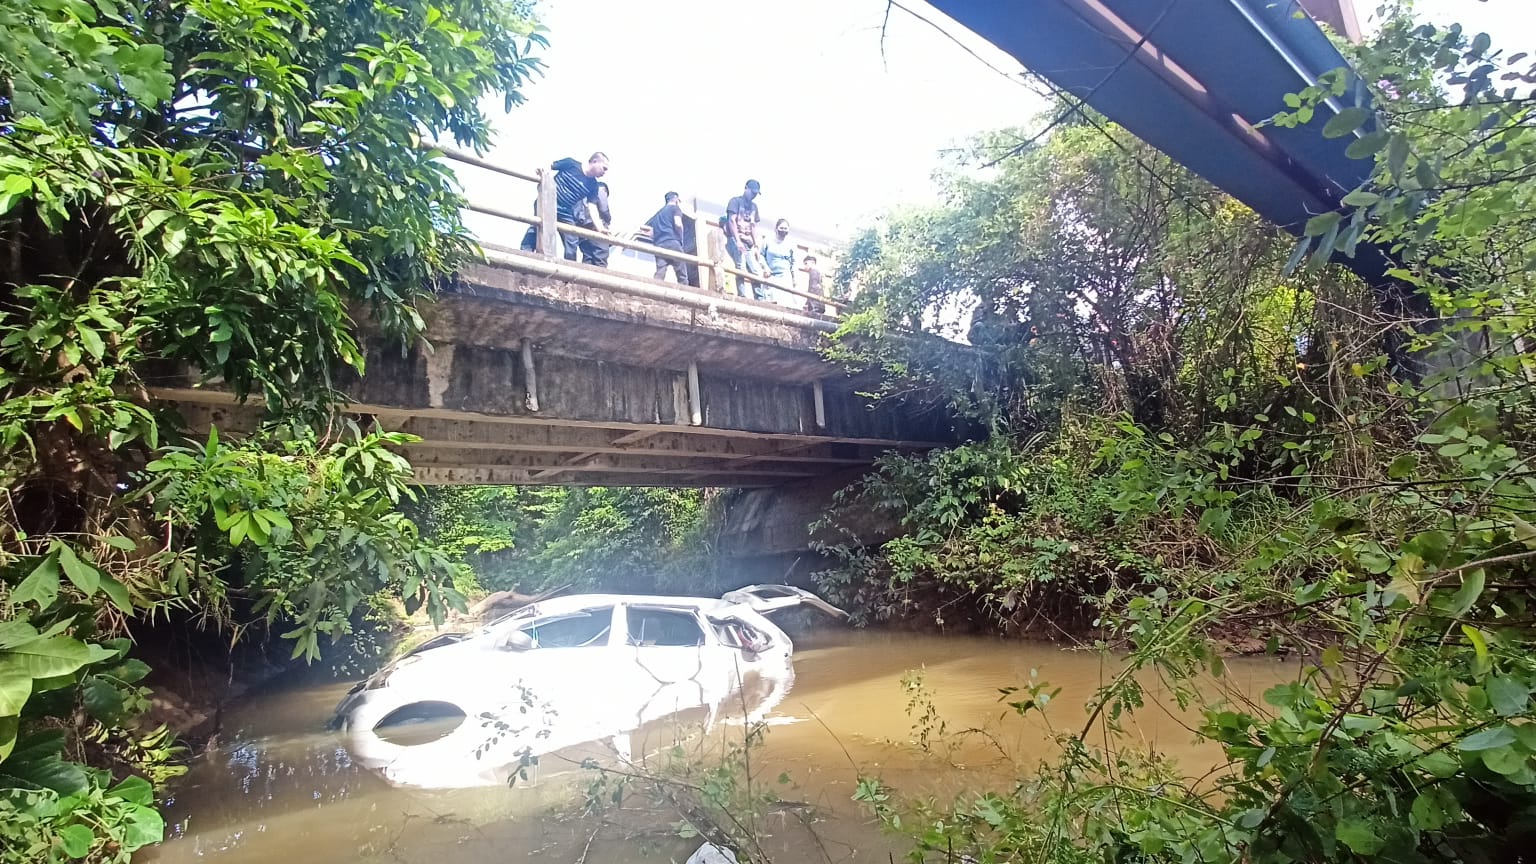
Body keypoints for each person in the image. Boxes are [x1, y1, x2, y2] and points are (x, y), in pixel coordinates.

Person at [549, 152, 609, 261]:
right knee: (537, 227)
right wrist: (542, 175)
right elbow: (550, 166)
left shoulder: (593, 185)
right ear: (595, 162)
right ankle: (525, 253)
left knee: (572, 240)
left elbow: (592, 207)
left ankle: (568, 267)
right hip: (549, 202)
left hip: (566, 212)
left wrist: (600, 228)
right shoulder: (570, 163)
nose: (604, 172)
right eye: (604, 168)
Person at [724, 179, 767, 301]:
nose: (753, 195)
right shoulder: (735, 201)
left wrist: (756, 245)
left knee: (754, 270)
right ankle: (742, 295)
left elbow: (753, 226)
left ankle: (759, 298)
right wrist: (737, 241)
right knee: (741, 266)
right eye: (752, 192)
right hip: (736, 238)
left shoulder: (754, 207)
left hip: (748, 242)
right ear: (746, 188)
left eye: (755, 193)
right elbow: (731, 221)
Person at [646, 191, 689, 282]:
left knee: (660, 272)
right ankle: (684, 289)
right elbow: (678, 223)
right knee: (681, 271)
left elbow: (651, 234)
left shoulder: (658, 214)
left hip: (659, 245)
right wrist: (681, 237)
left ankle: (655, 288)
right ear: (676, 199)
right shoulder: (675, 208)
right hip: (672, 242)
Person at [760, 218, 797, 305]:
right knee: (769, 301)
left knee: (784, 302)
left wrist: (794, 278)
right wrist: (765, 268)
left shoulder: (791, 244)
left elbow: (794, 263)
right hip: (770, 275)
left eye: (785, 228)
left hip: (785, 276)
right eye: (781, 228)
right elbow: (761, 255)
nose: (783, 230)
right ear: (776, 228)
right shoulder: (767, 241)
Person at [578, 181, 612, 267]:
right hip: (597, 227)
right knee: (600, 258)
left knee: (587, 258)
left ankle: (584, 276)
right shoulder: (600, 188)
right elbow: (603, 209)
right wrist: (608, 220)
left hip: (582, 227)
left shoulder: (583, 193)